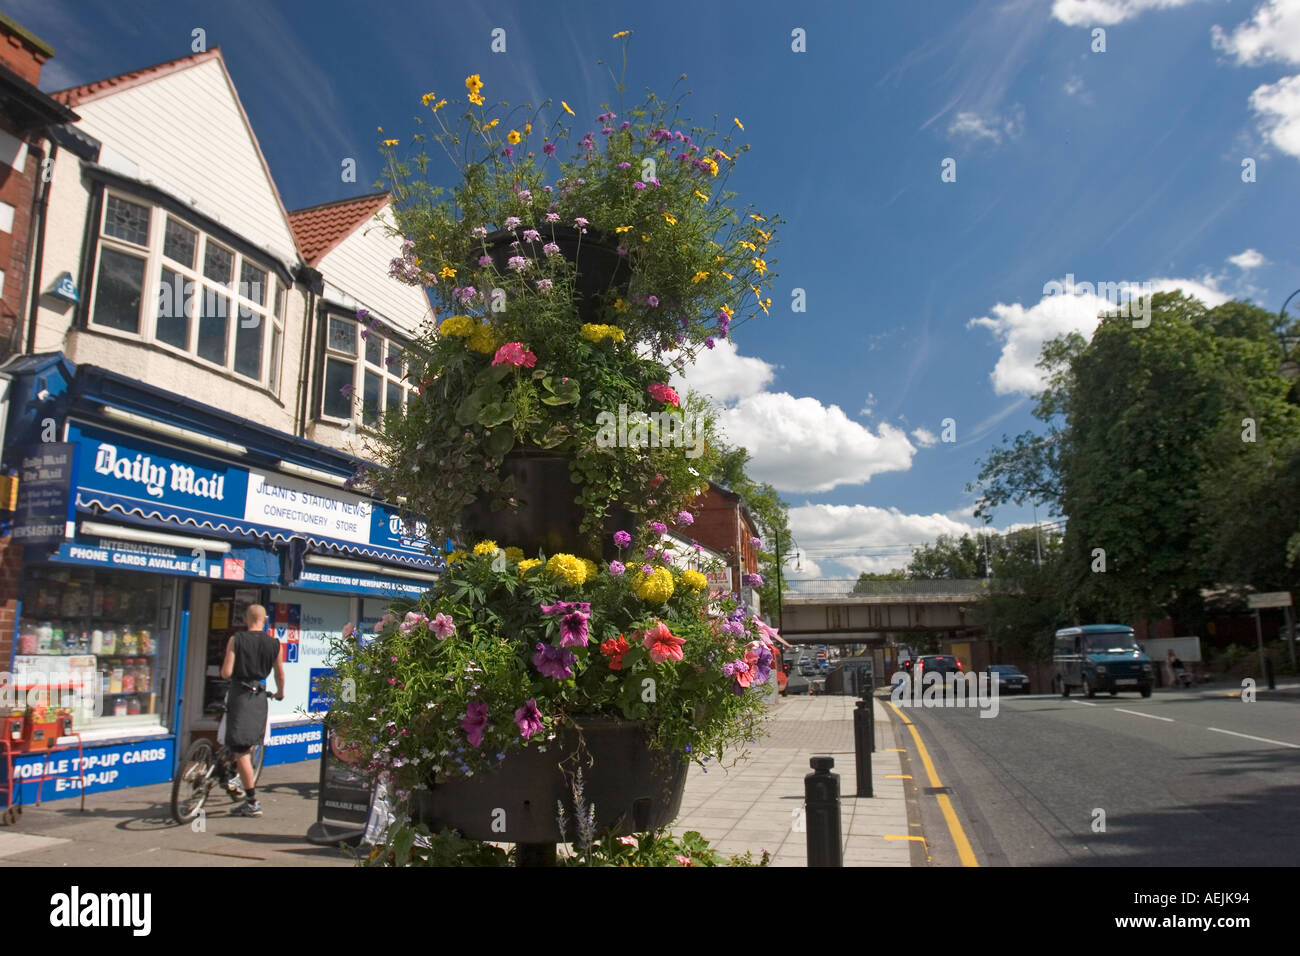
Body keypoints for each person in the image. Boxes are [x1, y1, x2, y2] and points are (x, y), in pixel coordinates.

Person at [220, 604, 284, 817]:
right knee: (247, 744)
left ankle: (252, 801)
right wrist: (280, 693)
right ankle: (233, 778)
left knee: (241, 749)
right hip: (259, 698)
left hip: (239, 695)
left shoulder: (236, 640)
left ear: (247, 619)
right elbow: (279, 674)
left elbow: (226, 672)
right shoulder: (274, 644)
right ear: (264, 619)